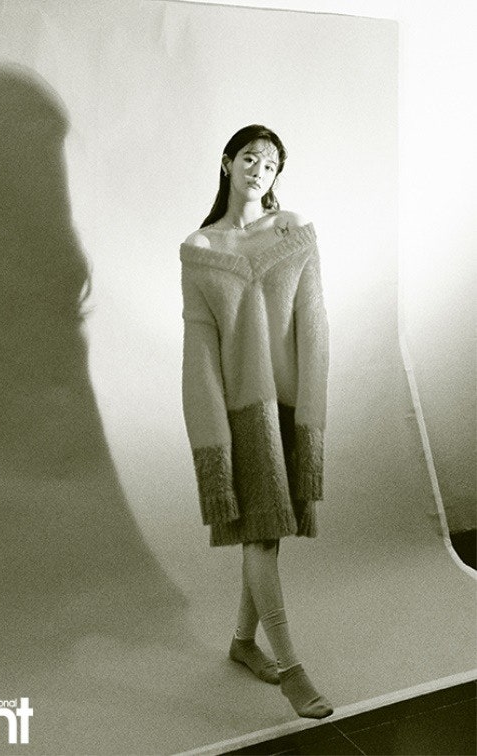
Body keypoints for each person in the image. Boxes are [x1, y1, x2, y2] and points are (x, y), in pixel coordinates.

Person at [180, 124, 333, 719]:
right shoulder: (201, 248)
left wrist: (313, 412)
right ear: (227, 163)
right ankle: (293, 671)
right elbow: (199, 352)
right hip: (241, 413)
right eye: (250, 157)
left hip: (292, 404)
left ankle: (243, 643)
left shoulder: (292, 232)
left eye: (270, 164)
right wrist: (211, 435)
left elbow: (315, 321)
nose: (259, 170)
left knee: (265, 534)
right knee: (262, 537)